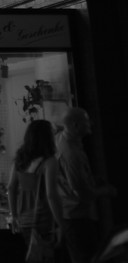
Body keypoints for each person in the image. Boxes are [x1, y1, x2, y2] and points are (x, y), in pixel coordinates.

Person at [55, 107, 118, 263]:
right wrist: (106, 191)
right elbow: (81, 191)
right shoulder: (71, 153)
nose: (91, 123)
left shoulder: (61, 140)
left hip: (70, 214)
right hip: (77, 217)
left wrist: (92, 179)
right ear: (76, 125)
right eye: (86, 120)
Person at [7, 120, 63, 247]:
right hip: (44, 221)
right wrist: (61, 224)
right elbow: (51, 195)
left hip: (24, 221)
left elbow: (11, 188)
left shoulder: (20, 161)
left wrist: (14, 216)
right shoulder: (49, 162)